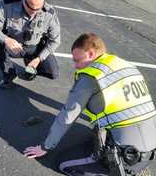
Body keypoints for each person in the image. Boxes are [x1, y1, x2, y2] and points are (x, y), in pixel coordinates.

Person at [23, 33, 156, 176]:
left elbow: (68, 115)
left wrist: (45, 146)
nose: (75, 66)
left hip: (125, 156)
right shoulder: (125, 65)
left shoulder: (91, 76)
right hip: (151, 148)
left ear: (91, 53)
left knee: (63, 164)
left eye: (77, 60)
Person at [0, 0, 60, 88]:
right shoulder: (9, 4)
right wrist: (6, 39)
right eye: (30, 7)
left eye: (38, 8)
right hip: (12, 46)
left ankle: (31, 65)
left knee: (53, 72)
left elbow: (55, 40)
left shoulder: (49, 13)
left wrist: (38, 59)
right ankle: (9, 73)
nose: (34, 12)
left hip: (34, 48)